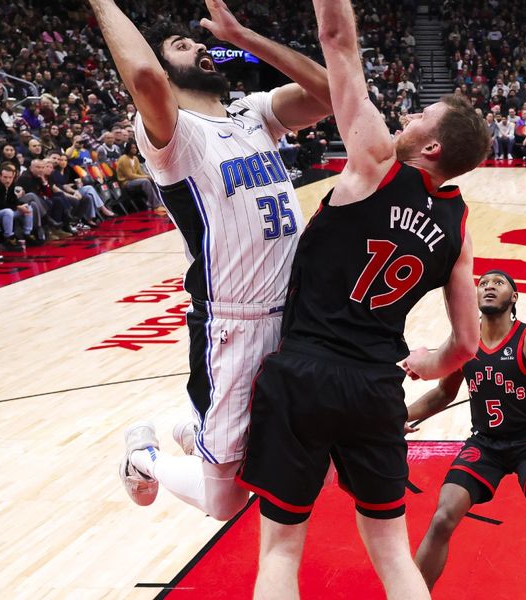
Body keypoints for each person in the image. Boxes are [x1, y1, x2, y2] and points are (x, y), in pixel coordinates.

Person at [237, 0, 490, 597]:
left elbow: (336, 39)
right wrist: (432, 361)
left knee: (280, 548)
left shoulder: (374, 159)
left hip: (305, 374)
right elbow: (468, 343)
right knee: (393, 553)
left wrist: (242, 36)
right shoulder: (458, 228)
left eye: (421, 116)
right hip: (377, 388)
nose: (406, 117)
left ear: (431, 148)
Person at [87, 0, 331, 520]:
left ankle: (193, 430)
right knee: (225, 502)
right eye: (181, 45)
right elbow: (145, 78)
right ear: (162, 68)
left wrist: (246, 38)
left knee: (296, 455)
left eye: (198, 43)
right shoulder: (174, 136)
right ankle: (145, 454)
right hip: (232, 325)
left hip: (295, 313)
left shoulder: (254, 112)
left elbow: (331, 94)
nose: (199, 46)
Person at [407, 270, 526, 600]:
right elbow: (442, 393)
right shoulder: (464, 344)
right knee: (442, 518)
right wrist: (399, 417)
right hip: (485, 443)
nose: (489, 287)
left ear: (514, 297)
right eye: (483, 284)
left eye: (499, 283)